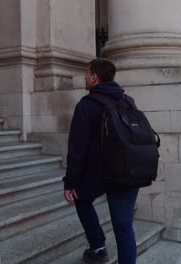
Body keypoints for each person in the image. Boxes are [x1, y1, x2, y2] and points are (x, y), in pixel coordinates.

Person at [63, 58, 139, 264]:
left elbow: (76, 150)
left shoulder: (86, 105)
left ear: (94, 77)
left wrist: (70, 183)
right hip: (130, 170)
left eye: (87, 74)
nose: (85, 78)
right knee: (124, 228)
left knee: (80, 197)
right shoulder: (127, 101)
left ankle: (97, 247)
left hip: (101, 174)